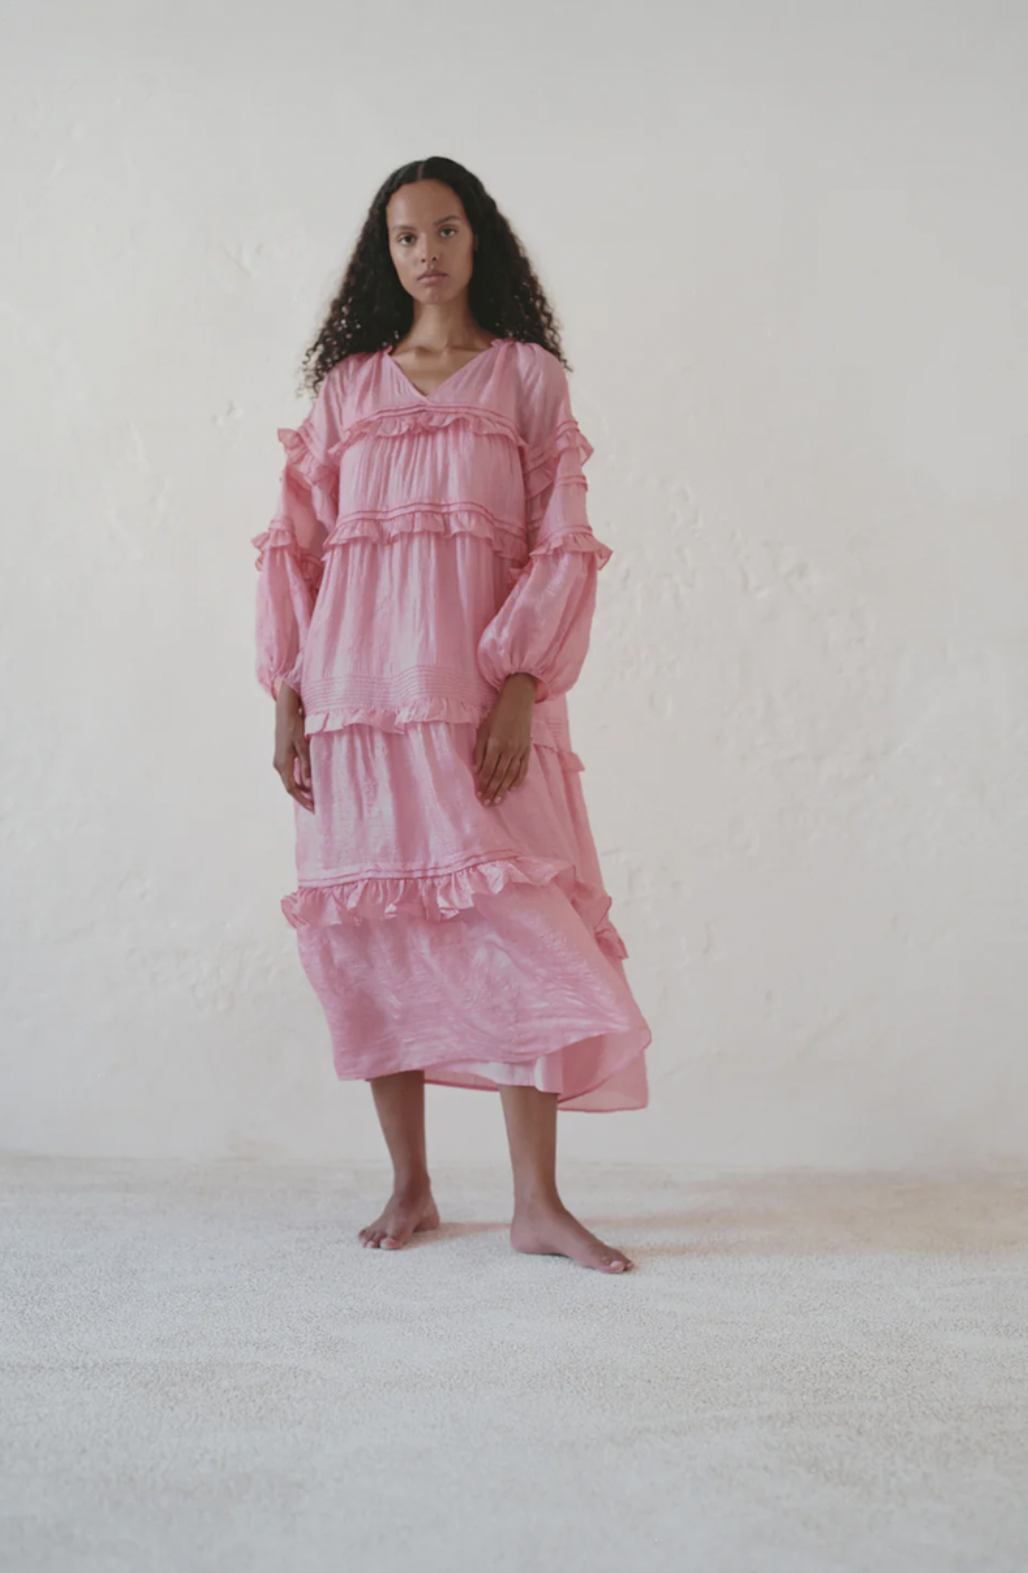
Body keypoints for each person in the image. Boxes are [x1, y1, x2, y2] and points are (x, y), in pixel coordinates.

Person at [253, 156, 651, 1273]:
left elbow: (559, 538)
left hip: (476, 701)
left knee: (524, 929)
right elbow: (298, 550)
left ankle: (535, 1203)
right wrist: (288, 691)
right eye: (404, 235)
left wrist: (521, 680)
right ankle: (411, 1185)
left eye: (445, 228)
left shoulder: (525, 380)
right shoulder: (345, 392)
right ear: (385, 256)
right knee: (374, 930)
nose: (425, 251)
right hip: (351, 704)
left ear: (480, 243)